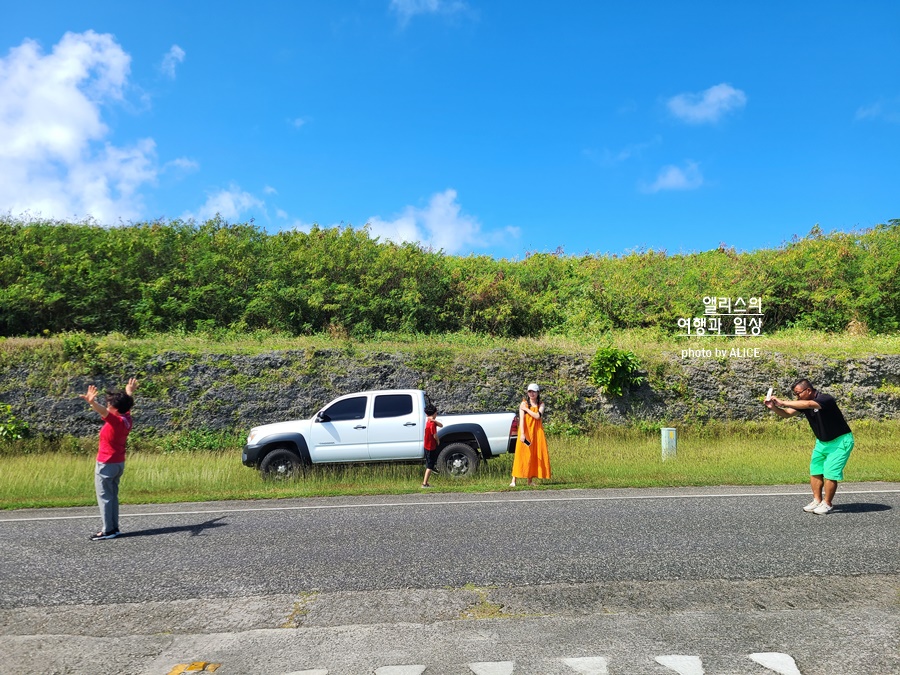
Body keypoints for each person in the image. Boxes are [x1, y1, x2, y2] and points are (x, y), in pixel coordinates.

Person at [765, 378, 854, 515]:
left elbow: (808, 404)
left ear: (808, 390)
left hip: (840, 441)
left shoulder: (825, 399)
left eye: (798, 393)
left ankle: (827, 503)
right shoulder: (803, 403)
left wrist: (782, 401)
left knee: (830, 472)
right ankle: (817, 501)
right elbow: (787, 414)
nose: (797, 396)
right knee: (815, 470)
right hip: (822, 441)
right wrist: (774, 407)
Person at [81, 378, 138, 539]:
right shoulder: (126, 418)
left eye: (110, 405)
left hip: (106, 464)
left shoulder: (116, 421)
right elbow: (125, 404)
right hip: (118, 463)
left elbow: (103, 411)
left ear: (115, 409)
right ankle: (114, 528)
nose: (107, 407)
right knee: (112, 496)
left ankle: (108, 530)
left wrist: (92, 402)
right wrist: (129, 391)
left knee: (105, 497)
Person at [510, 383, 551, 487]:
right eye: (530, 391)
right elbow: (522, 420)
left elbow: (537, 416)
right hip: (526, 431)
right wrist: (522, 433)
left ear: (538, 393)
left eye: (533, 391)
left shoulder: (540, 404)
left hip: (536, 432)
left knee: (533, 455)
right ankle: (514, 479)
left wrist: (527, 409)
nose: (531, 394)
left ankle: (530, 480)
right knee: (521, 454)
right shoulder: (523, 403)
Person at [421, 402, 443, 488]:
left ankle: (433, 467)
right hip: (431, 446)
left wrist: (433, 420)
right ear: (435, 413)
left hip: (426, 446)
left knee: (430, 462)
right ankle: (424, 483)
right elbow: (435, 435)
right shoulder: (432, 424)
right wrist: (438, 441)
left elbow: (441, 425)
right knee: (429, 466)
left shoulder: (428, 421)